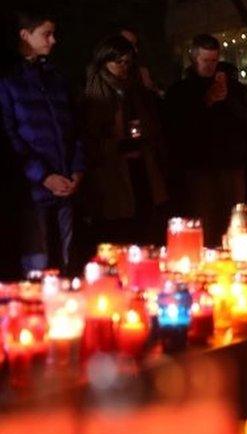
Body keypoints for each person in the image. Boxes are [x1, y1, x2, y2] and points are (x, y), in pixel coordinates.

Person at [0, 10, 84, 274]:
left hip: (66, 185)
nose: (53, 40)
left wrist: (76, 169)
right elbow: (9, 136)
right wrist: (44, 175)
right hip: (31, 191)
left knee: (69, 259)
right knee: (37, 261)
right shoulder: (8, 81)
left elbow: (74, 127)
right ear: (25, 35)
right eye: (46, 34)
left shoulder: (56, 78)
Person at [165, 34, 247, 246]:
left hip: (231, 165)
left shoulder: (234, 88)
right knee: (205, 222)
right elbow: (179, 128)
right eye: (206, 61)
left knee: (235, 223)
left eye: (214, 60)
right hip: (200, 168)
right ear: (194, 58)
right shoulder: (181, 92)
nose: (210, 66)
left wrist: (228, 99)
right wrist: (207, 102)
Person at [81, 35, 168, 246]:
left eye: (127, 62)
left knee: (146, 227)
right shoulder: (96, 94)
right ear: (104, 62)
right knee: (121, 232)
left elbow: (153, 124)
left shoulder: (134, 89)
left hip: (141, 167)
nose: (123, 67)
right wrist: (116, 143)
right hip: (113, 174)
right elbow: (90, 136)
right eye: (117, 62)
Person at [118, 25, 161, 96]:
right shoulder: (99, 79)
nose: (135, 50)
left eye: (134, 45)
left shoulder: (142, 74)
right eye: (129, 44)